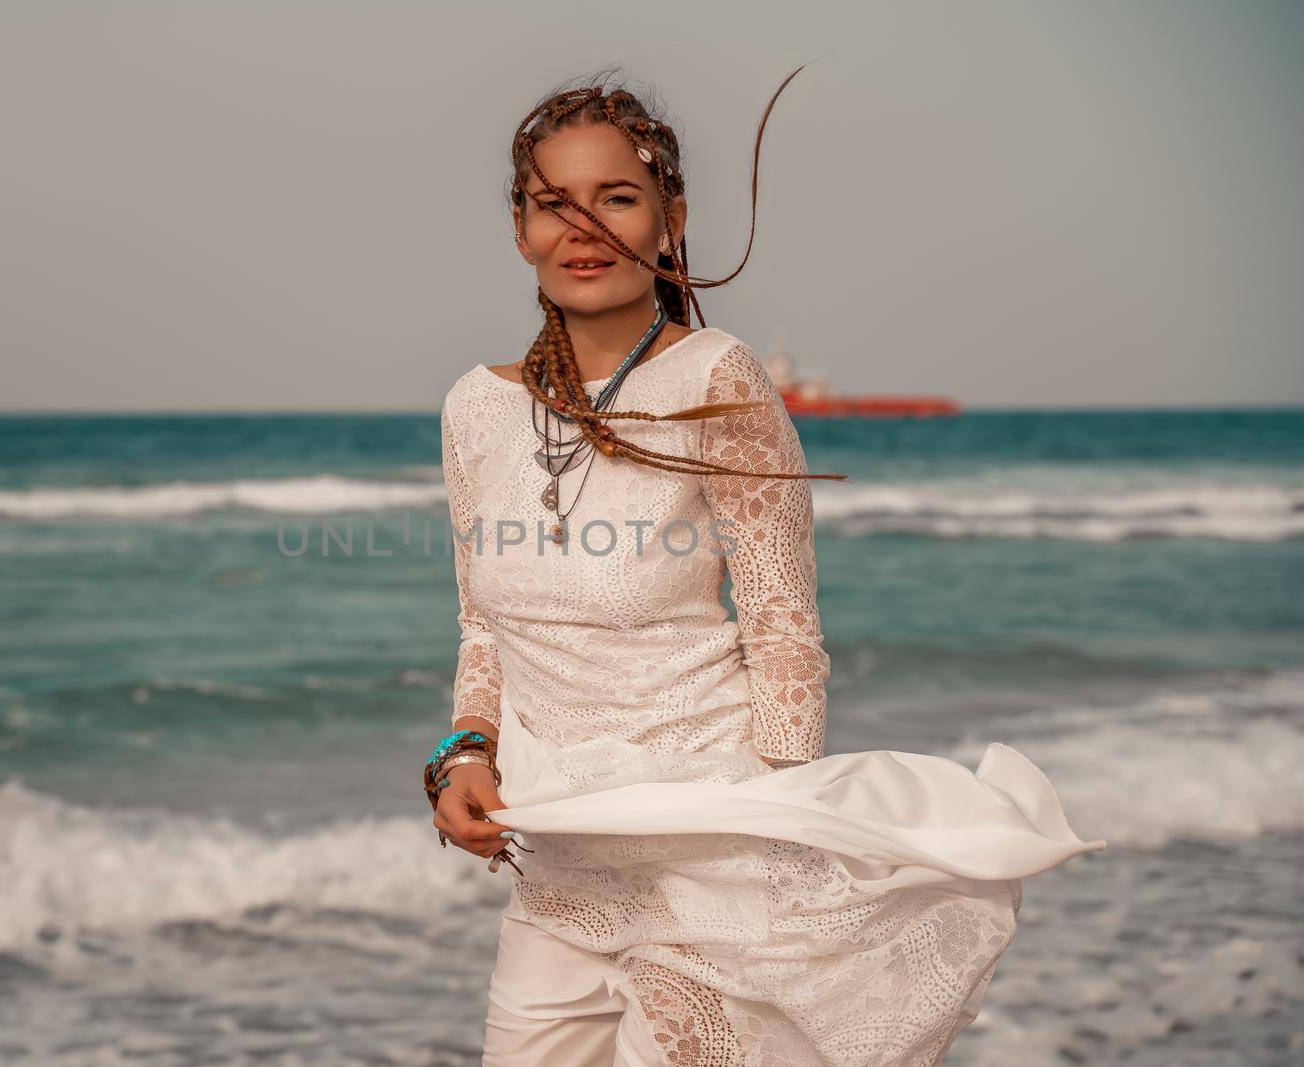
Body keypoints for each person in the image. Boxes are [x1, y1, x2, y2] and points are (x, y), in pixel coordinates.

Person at [425, 67, 1105, 1066]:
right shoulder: (473, 409)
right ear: (518, 226)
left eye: (615, 197)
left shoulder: (717, 379)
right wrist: (463, 754)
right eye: (551, 204)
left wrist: (783, 831)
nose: (582, 228)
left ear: (670, 218)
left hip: (714, 855)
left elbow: (784, 622)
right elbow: (484, 624)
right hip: (558, 860)